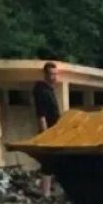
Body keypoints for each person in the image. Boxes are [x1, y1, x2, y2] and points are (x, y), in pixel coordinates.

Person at [32, 62, 61, 196]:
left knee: (53, 160)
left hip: (55, 130)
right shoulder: (41, 90)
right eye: (51, 74)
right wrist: (46, 134)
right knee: (48, 161)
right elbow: (41, 114)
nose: (54, 77)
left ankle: (49, 190)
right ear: (45, 74)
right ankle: (45, 192)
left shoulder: (49, 89)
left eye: (55, 74)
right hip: (49, 131)